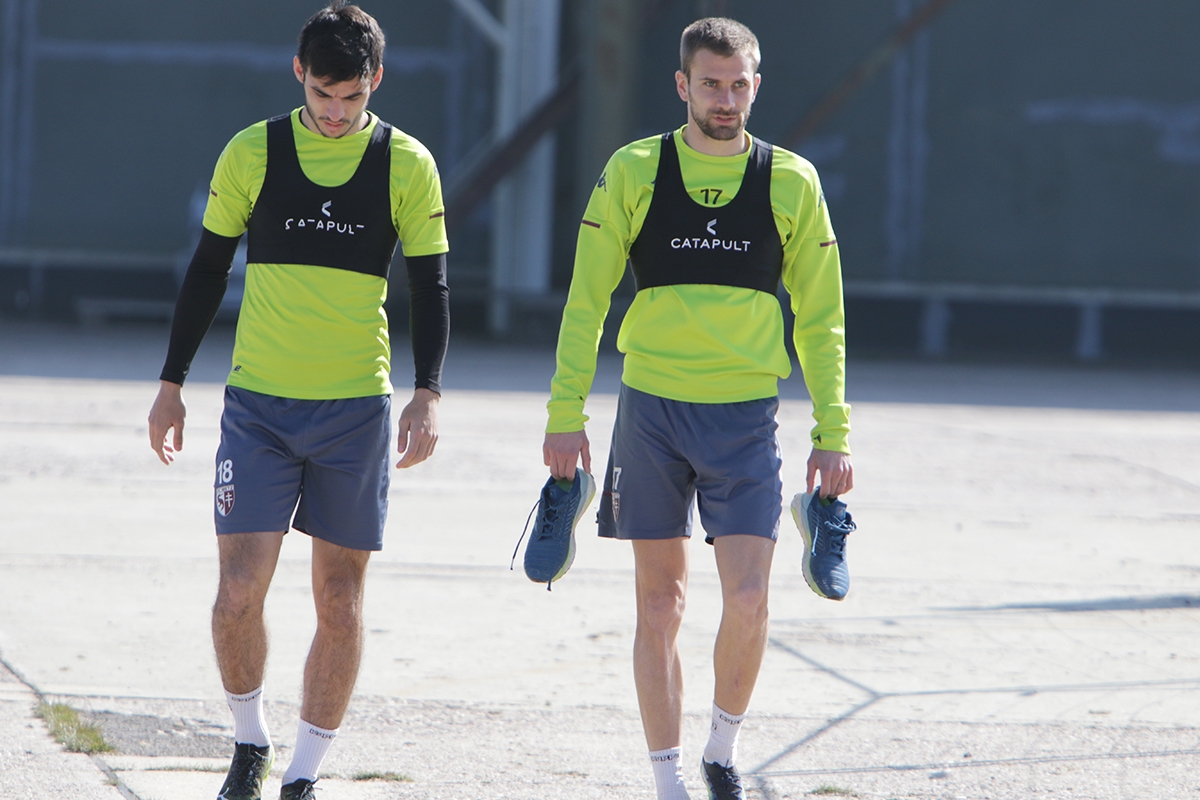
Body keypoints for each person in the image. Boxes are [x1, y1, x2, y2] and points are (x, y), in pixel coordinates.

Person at [539, 17, 854, 800]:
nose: (725, 99)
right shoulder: (634, 170)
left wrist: (833, 431)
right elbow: (586, 302)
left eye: (739, 84)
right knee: (661, 603)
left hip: (744, 417)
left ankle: (720, 751)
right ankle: (667, 780)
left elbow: (821, 318)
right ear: (682, 85)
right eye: (711, 84)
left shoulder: (792, 181)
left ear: (757, 85)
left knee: (748, 597)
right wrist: (565, 414)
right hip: (651, 414)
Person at [146, 4, 449, 799]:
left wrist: (428, 392)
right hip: (259, 409)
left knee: (340, 603)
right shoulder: (252, 151)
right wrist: (172, 384)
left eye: (352, 97)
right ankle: (250, 742)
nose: (335, 113)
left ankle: (303, 776)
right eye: (322, 94)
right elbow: (207, 270)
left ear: (376, 81)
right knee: (237, 595)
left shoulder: (406, 163)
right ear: (298, 73)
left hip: (356, 412)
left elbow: (431, 287)